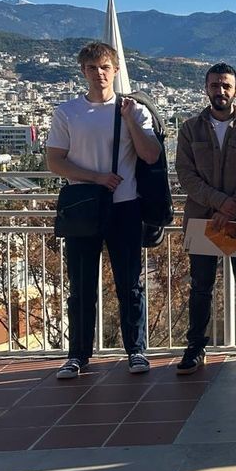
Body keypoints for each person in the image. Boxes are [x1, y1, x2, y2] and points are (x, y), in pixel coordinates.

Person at [47, 41, 161, 379]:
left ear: (116, 70)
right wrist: (96, 177)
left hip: (125, 206)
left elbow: (151, 154)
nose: (99, 73)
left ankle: (136, 350)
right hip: (83, 206)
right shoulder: (67, 112)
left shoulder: (134, 110)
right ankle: (78, 355)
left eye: (105, 67)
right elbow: (54, 161)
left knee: (130, 283)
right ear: (83, 71)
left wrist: (130, 119)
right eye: (92, 68)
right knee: (81, 285)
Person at [175, 63, 236, 374]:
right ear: (206, 88)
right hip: (204, 220)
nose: (221, 91)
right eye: (215, 85)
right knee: (201, 286)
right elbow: (185, 175)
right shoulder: (190, 129)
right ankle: (195, 346)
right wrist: (221, 204)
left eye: (226, 85)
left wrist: (229, 209)